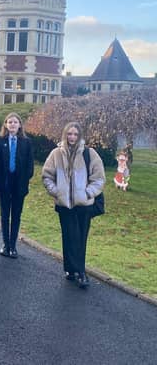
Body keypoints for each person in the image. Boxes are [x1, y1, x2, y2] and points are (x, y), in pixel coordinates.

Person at [42, 122, 105, 288]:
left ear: (80, 136)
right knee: (68, 237)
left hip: (83, 205)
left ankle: (81, 272)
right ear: (65, 134)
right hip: (64, 205)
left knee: (80, 238)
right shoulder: (56, 154)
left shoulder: (89, 153)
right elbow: (47, 175)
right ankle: (70, 269)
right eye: (69, 134)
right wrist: (56, 192)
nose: (72, 137)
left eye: (75, 134)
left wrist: (88, 193)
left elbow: (99, 178)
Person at [0, 113, 34, 258]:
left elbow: (30, 165)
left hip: (19, 184)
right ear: (6, 125)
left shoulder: (26, 142)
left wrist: (24, 179)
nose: (13, 125)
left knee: (16, 215)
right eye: (10, 122)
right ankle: (5, 244)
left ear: (20, 125)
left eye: (15, 122)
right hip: (4, 182)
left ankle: (13, 246)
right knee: (4, 214)